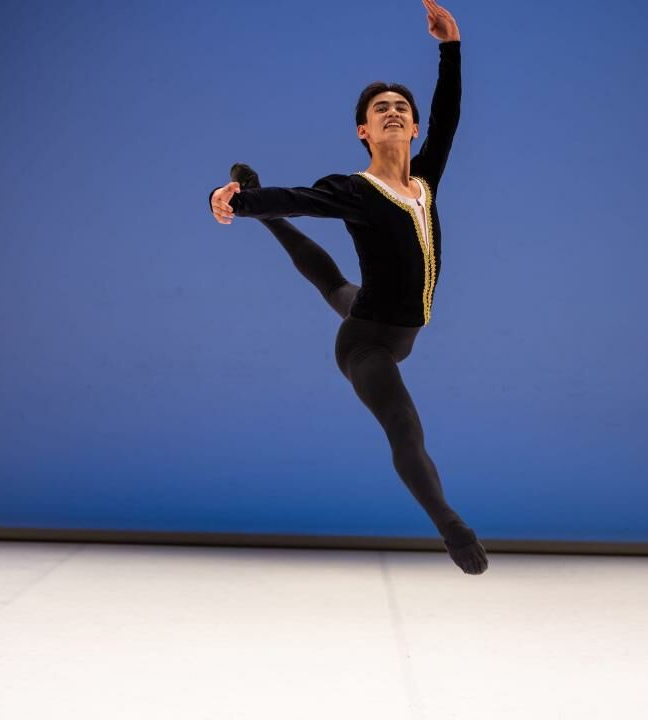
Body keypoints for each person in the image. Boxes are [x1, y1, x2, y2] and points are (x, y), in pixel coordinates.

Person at [208, 0, 488, 575]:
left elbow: (450, 113)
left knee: (333, 283)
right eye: (380, 108)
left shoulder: (425, 179)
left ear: (415, 127)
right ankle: (451, 525)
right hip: (367, 342)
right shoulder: (355, 190)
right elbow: (300, 199)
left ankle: (261, 210)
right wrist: (239, 201)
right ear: (364, 130)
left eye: (401, 107)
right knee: (403, 425)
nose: (393, 112)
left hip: (376, 308)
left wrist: (450, 46)